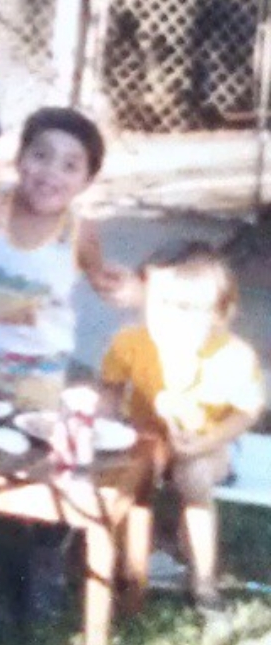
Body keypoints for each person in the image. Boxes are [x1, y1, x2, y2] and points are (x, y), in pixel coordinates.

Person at [100, 243, 264, 612]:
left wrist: (206, 442)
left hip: (210, 439)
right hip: (146, 436)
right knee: (125, 475)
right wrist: (105, 425)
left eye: (188, 310)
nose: (171, 319)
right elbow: (111, 388)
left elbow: (247, 412)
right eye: (161, 304)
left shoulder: (232, 357)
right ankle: (128, 561)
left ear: (220, 315)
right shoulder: (131, 343)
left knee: (193, 476)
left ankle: (203, 579)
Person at [0, 107, 136, 409]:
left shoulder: (80, 231)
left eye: (70, 166)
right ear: (20, 160)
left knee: (29, 436)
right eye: (41, 156)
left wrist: (129, 288)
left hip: (40, 368)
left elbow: (101, 279)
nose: (51, 172)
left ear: (87, 181)